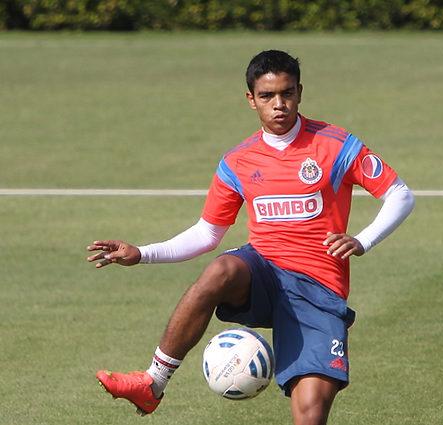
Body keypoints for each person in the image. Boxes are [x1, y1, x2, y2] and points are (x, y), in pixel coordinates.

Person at [87, 50, 415, 425]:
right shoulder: (238, 161)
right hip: (263, 274)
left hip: (319, 288)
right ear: (251, 99)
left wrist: (363, 239)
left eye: (287, 93)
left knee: (310, 413)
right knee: (221, 270)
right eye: (267, 96)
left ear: (300, 92)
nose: (279, 104)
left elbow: (400, 194)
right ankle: (152, 382)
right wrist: (142, 253)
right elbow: (207, 233)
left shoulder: (337, 145)